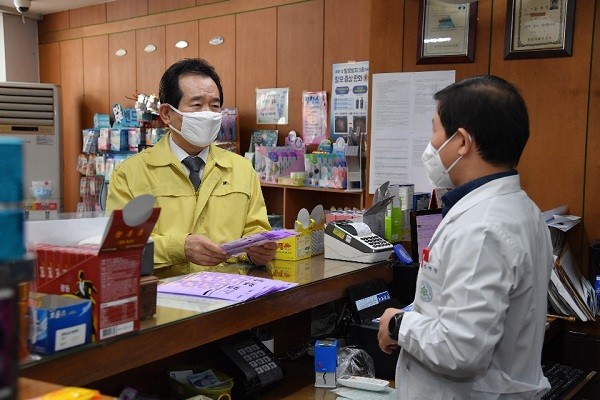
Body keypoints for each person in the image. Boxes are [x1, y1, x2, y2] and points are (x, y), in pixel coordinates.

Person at [377, 75, 553, 399]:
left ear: (461, 142)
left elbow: (460, 350)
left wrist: (397, 324)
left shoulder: (483, 229)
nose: (430, 144)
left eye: (434, 130)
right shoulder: (520, 209)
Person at [106, 58, 277, 278]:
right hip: (164, 301)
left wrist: (259, 251)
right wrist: (179, 247)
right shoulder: (129, 174)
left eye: (215, 106)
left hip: (230, 297)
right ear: (167, 113)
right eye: (196, 105)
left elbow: (256, 229)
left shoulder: (242, 169)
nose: (208, 114)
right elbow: (120, 248)